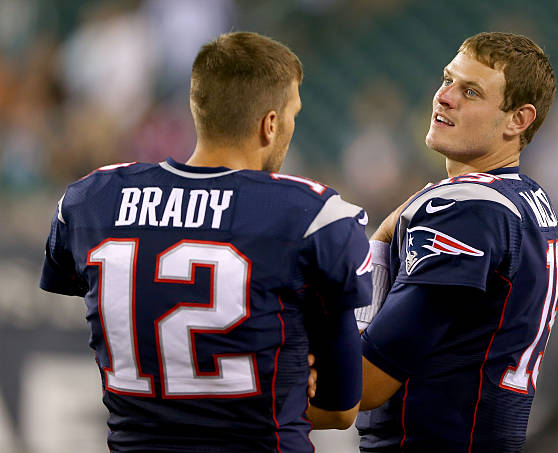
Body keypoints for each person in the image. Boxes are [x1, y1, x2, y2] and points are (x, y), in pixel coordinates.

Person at [40, 31, 372, 453]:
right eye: (292, 114)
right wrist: (280, 378)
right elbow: (341, 410)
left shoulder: (90, 199)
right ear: (270, 124)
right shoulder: (314, 215)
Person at [354, 32, 558, 452]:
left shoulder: (465, 209)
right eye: (447, 79)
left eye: (470, 91)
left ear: (518, 120)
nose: (444, 98)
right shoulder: (527, 198)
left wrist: (375, 248)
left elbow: (361, 384)